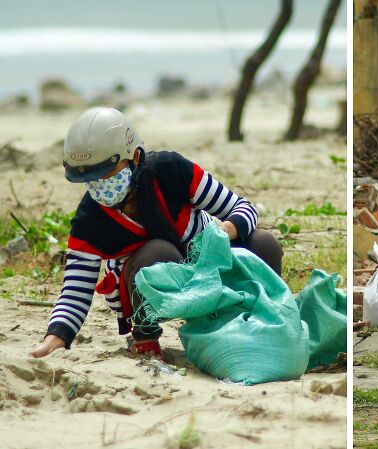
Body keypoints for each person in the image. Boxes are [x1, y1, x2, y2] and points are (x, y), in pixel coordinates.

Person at [30, 107, 283, 359]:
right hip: (151, 289)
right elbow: (76, 289)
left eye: (107, 172)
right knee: (159, 251)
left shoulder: (171, 170)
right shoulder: (89, 220)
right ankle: (146, 338)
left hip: (208, 270)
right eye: (91, 178)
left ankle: (259, 319)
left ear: (135, 158)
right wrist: (56, 338)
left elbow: (242, 208)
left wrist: (225, 231)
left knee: (265, 244)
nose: (100, 185)